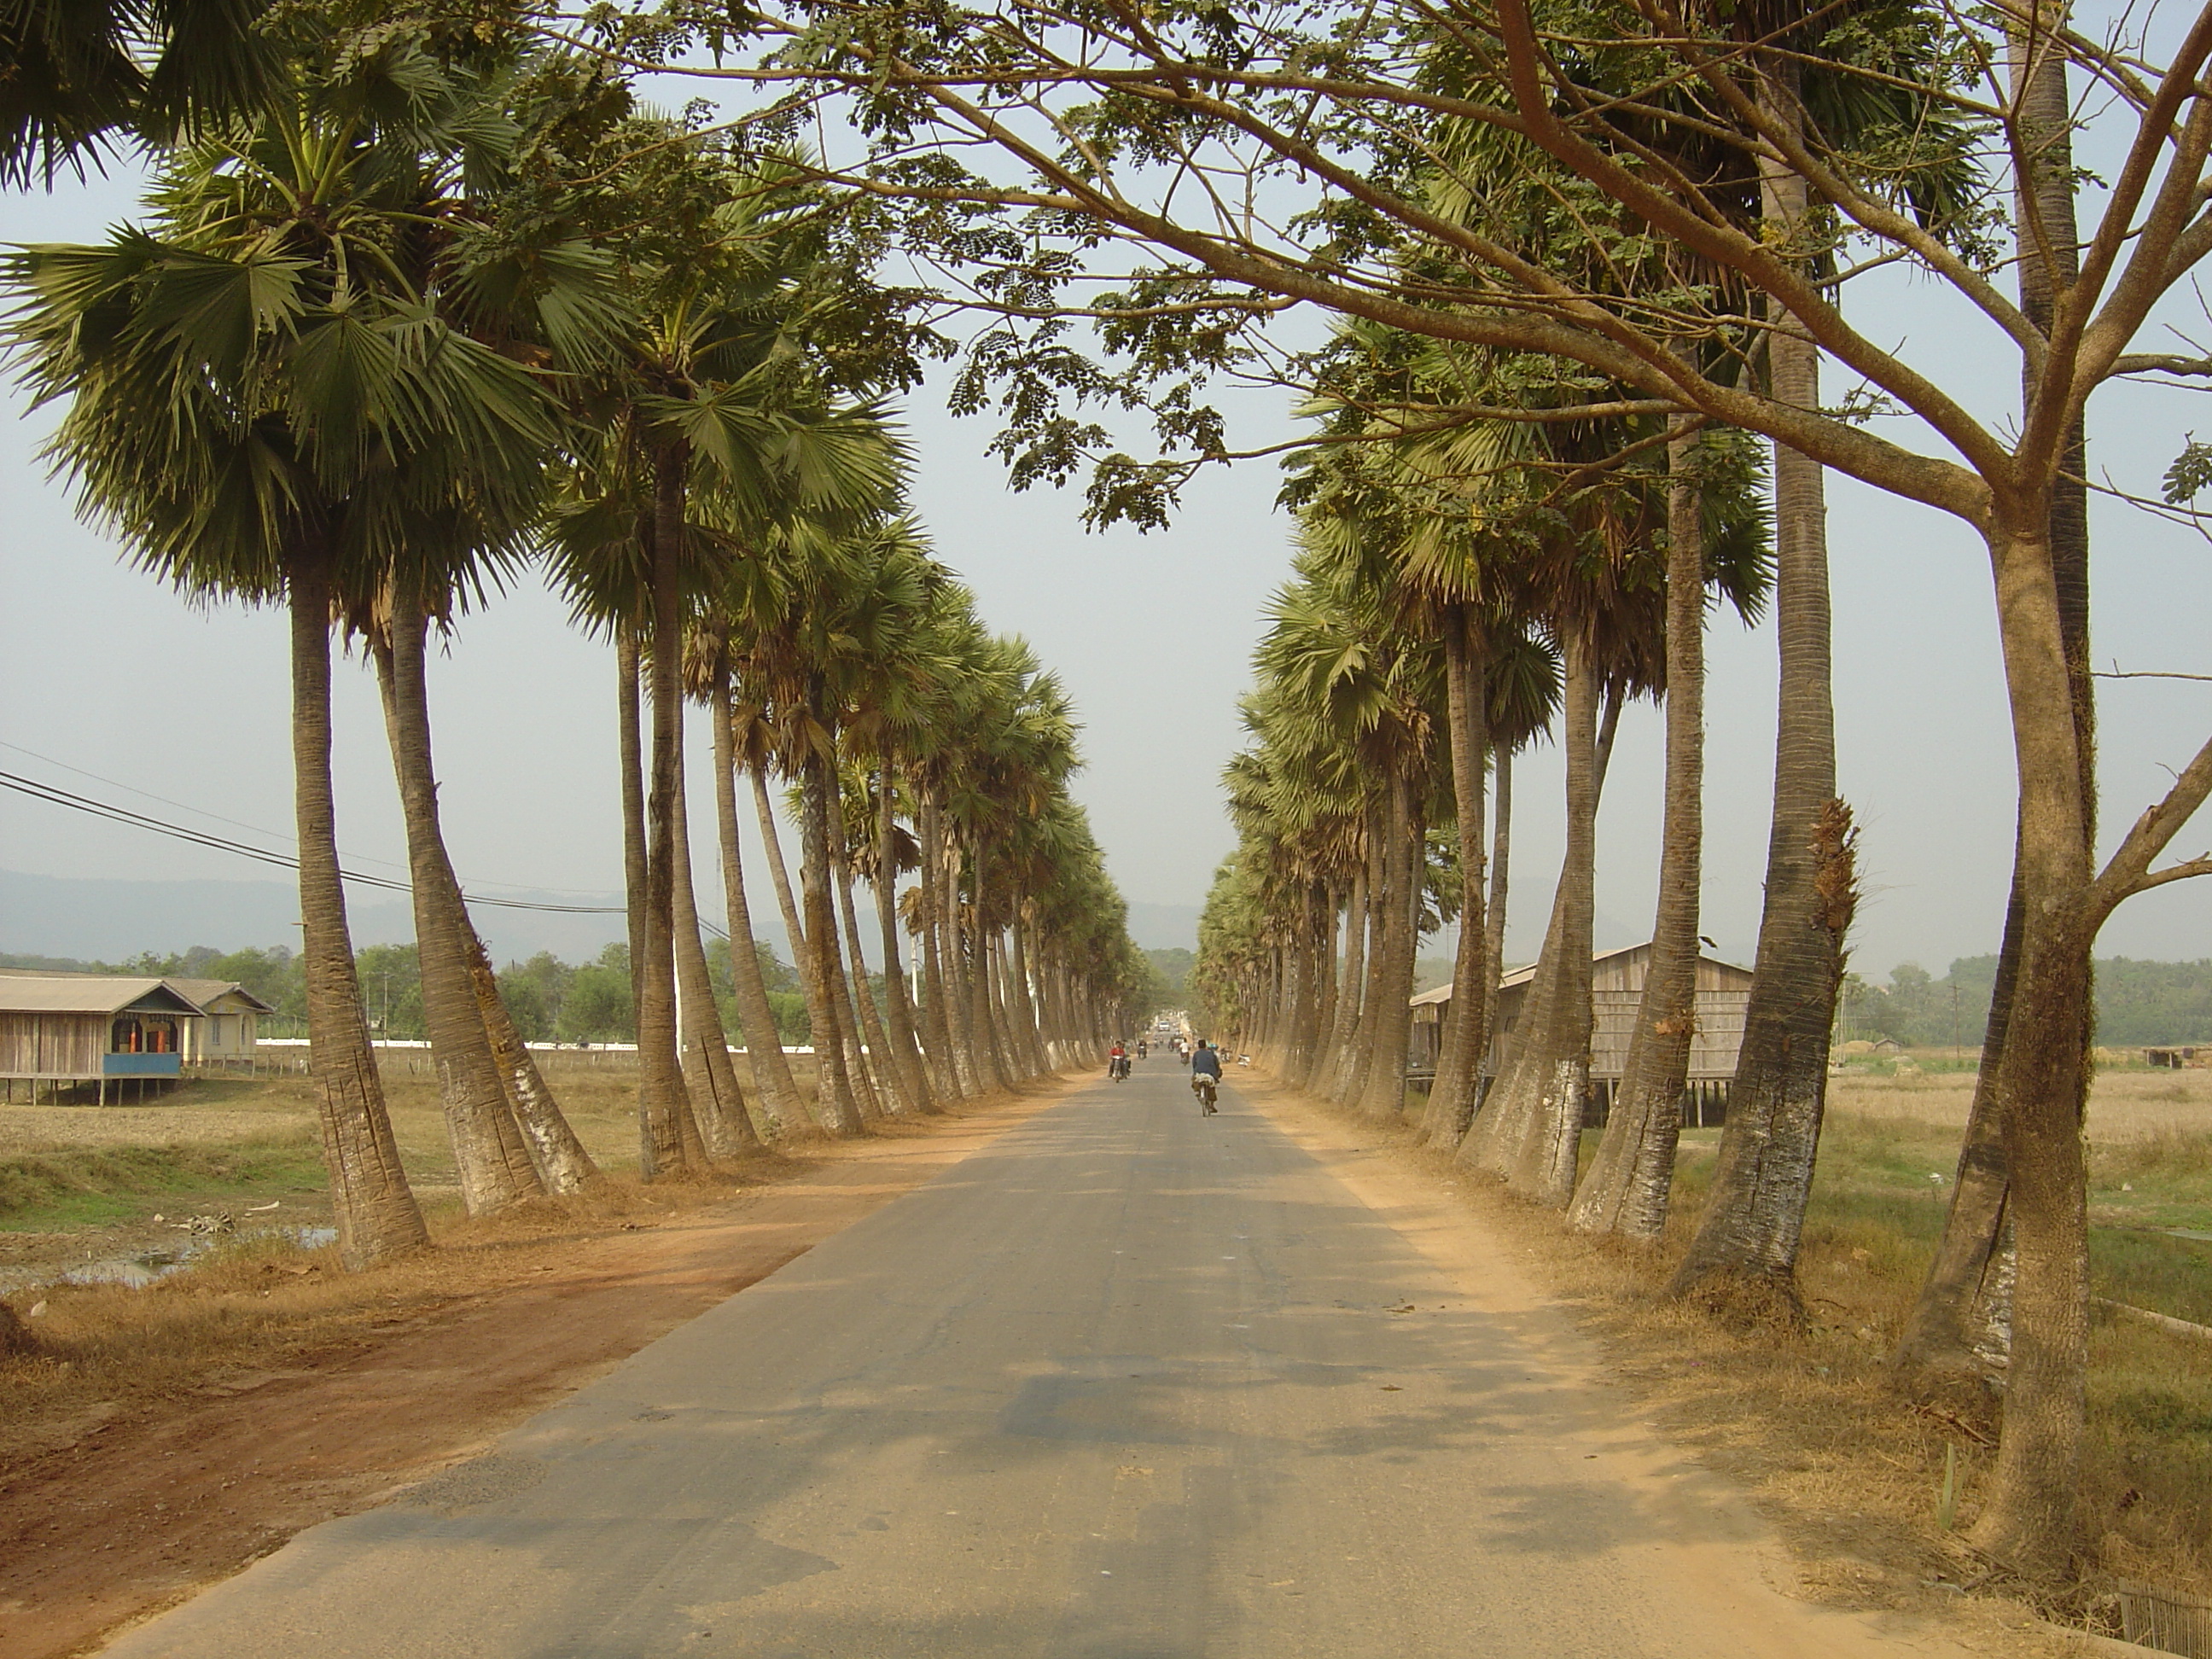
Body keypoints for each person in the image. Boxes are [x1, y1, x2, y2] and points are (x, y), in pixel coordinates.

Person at [1189, 1039, 1222, 1115]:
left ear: (1198, 1046)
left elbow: (1194, 1065)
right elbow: (1217, 1064)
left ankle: (1197, 1092)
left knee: (1194, 1082)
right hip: (1210, 1074)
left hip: (1199, 1073)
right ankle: (1211, 1105)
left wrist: (1196, 1071)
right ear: (1206, 1045)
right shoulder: (1211, 1054)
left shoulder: (1196, 1054)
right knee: (1212, 1087)